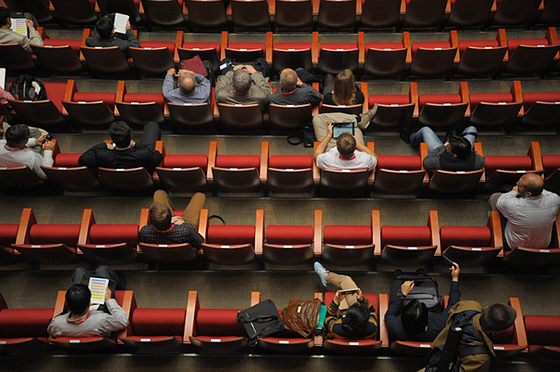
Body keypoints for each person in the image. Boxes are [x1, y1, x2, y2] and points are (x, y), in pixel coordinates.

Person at [422, 301, 517, 372]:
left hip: (436, 354)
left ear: (486, 307)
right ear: (499, 331)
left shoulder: (470, 306)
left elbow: (451, 311)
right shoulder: (479, 358)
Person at [385, 264, 461, 342]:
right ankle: (421, 276)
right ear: (425, 326)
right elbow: (453, 305)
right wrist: (455, 278)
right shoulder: (439, 326)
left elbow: (393, 308)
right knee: (430, 284)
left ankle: (399, 277)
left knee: (397, 283)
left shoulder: (394, 327)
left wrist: (402, 294)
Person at [47, 266, 129, 338]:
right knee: (102, 269)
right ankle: (120, 282)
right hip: (99, 311)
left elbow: (52, 332)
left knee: (80, 271)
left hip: (86, 319)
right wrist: (109, 300)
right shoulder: (102, 320)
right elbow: (123, 321)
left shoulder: (56, 324)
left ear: (67, 303)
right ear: (90, 303)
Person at [489, 173, 560, 250]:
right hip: (543, 245)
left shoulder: (512, 205)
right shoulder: (555, 199)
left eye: (519, 185)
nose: (517, 184)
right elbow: (542, 191)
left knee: (495, 198)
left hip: (514, 245)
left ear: (528, 194)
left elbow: (500, 202)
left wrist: (514, 192)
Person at [314, 262, 377, 339]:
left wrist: (335, 302)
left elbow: (329, 317)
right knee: (344, 287)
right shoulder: (371, 327)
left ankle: (326, 277)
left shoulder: (336, 327)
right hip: (355, 323)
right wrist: (361, 300)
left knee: (344, 283)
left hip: (340, 314)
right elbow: (372, 312)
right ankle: (326, 277)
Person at [78, 121, 163, 172]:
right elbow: (158, 157)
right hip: (143, 182)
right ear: (130, 136)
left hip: (114, 185)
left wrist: (104, 145)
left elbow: (81, 160)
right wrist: (136, 145)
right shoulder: (145, 153)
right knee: (152, 125)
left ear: (112, 140)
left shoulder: (101, 155)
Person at [139, 190, 206, 248]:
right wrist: (183, 223)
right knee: (199, 196)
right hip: (184, 224)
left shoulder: (144, 232)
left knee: (159, 193)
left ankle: (174, 211)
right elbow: (200, 242)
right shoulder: (186, 231)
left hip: (159, 256)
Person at [407, 126, 484, 173]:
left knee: (425, 130)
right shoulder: (478, 162)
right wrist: (465, 149)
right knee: (472, 129)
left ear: (454, 155)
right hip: (463, 156)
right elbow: (477, 157)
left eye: (448, 147)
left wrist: (443, 147)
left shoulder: (438, 162)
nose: (447, 145)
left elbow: (426, 161)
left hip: (442, 155)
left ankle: (410, 138)